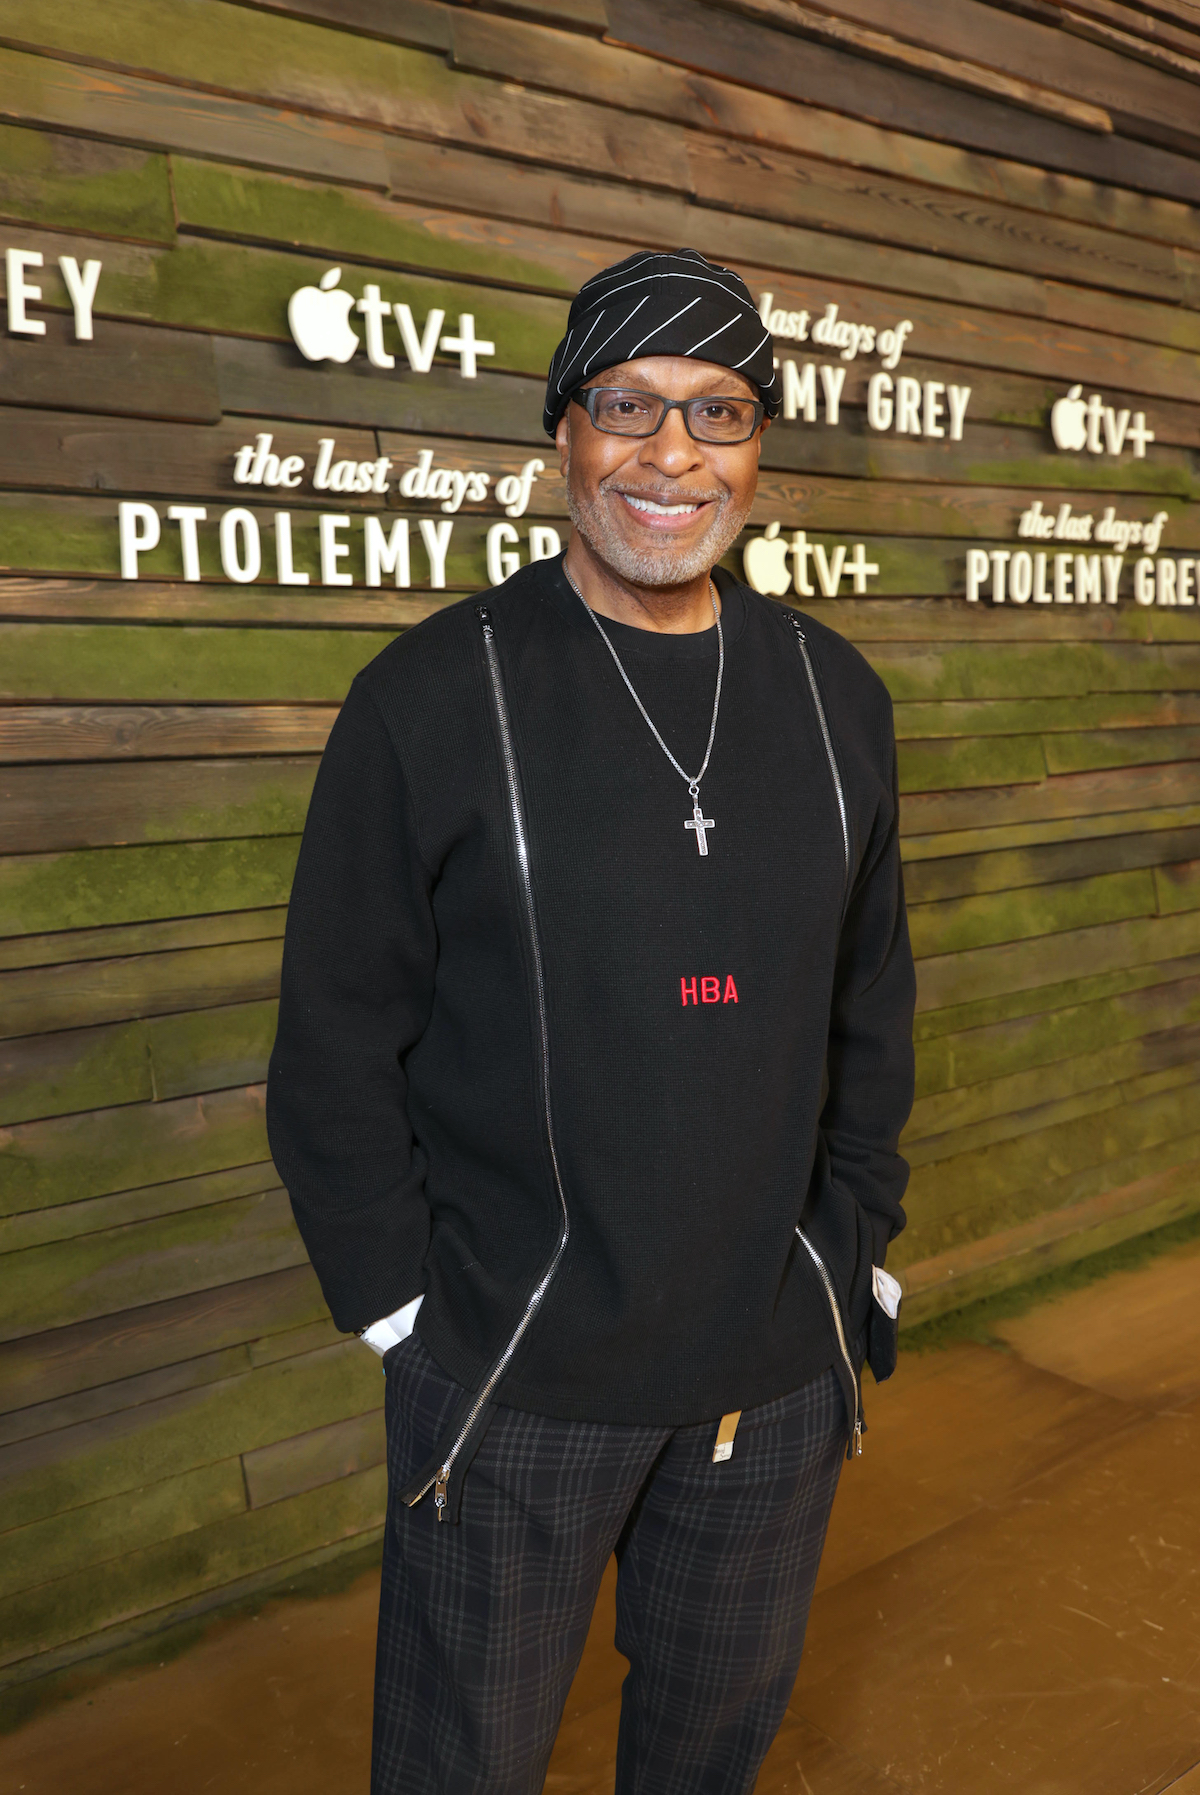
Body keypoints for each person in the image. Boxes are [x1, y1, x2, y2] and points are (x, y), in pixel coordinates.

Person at [266, 247, 915, 1795]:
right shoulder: (432, 696)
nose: (672, 453)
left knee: (709, 1757)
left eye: (718, 411)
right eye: (627, 404)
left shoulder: (837, 697)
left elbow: (871, 1007)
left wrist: (853, 1251)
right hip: (516, 1371)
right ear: (562, 430)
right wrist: (407, 1318)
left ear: (759, 448)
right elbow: (336, 1038)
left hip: (772, 1366)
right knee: (462, 1766)